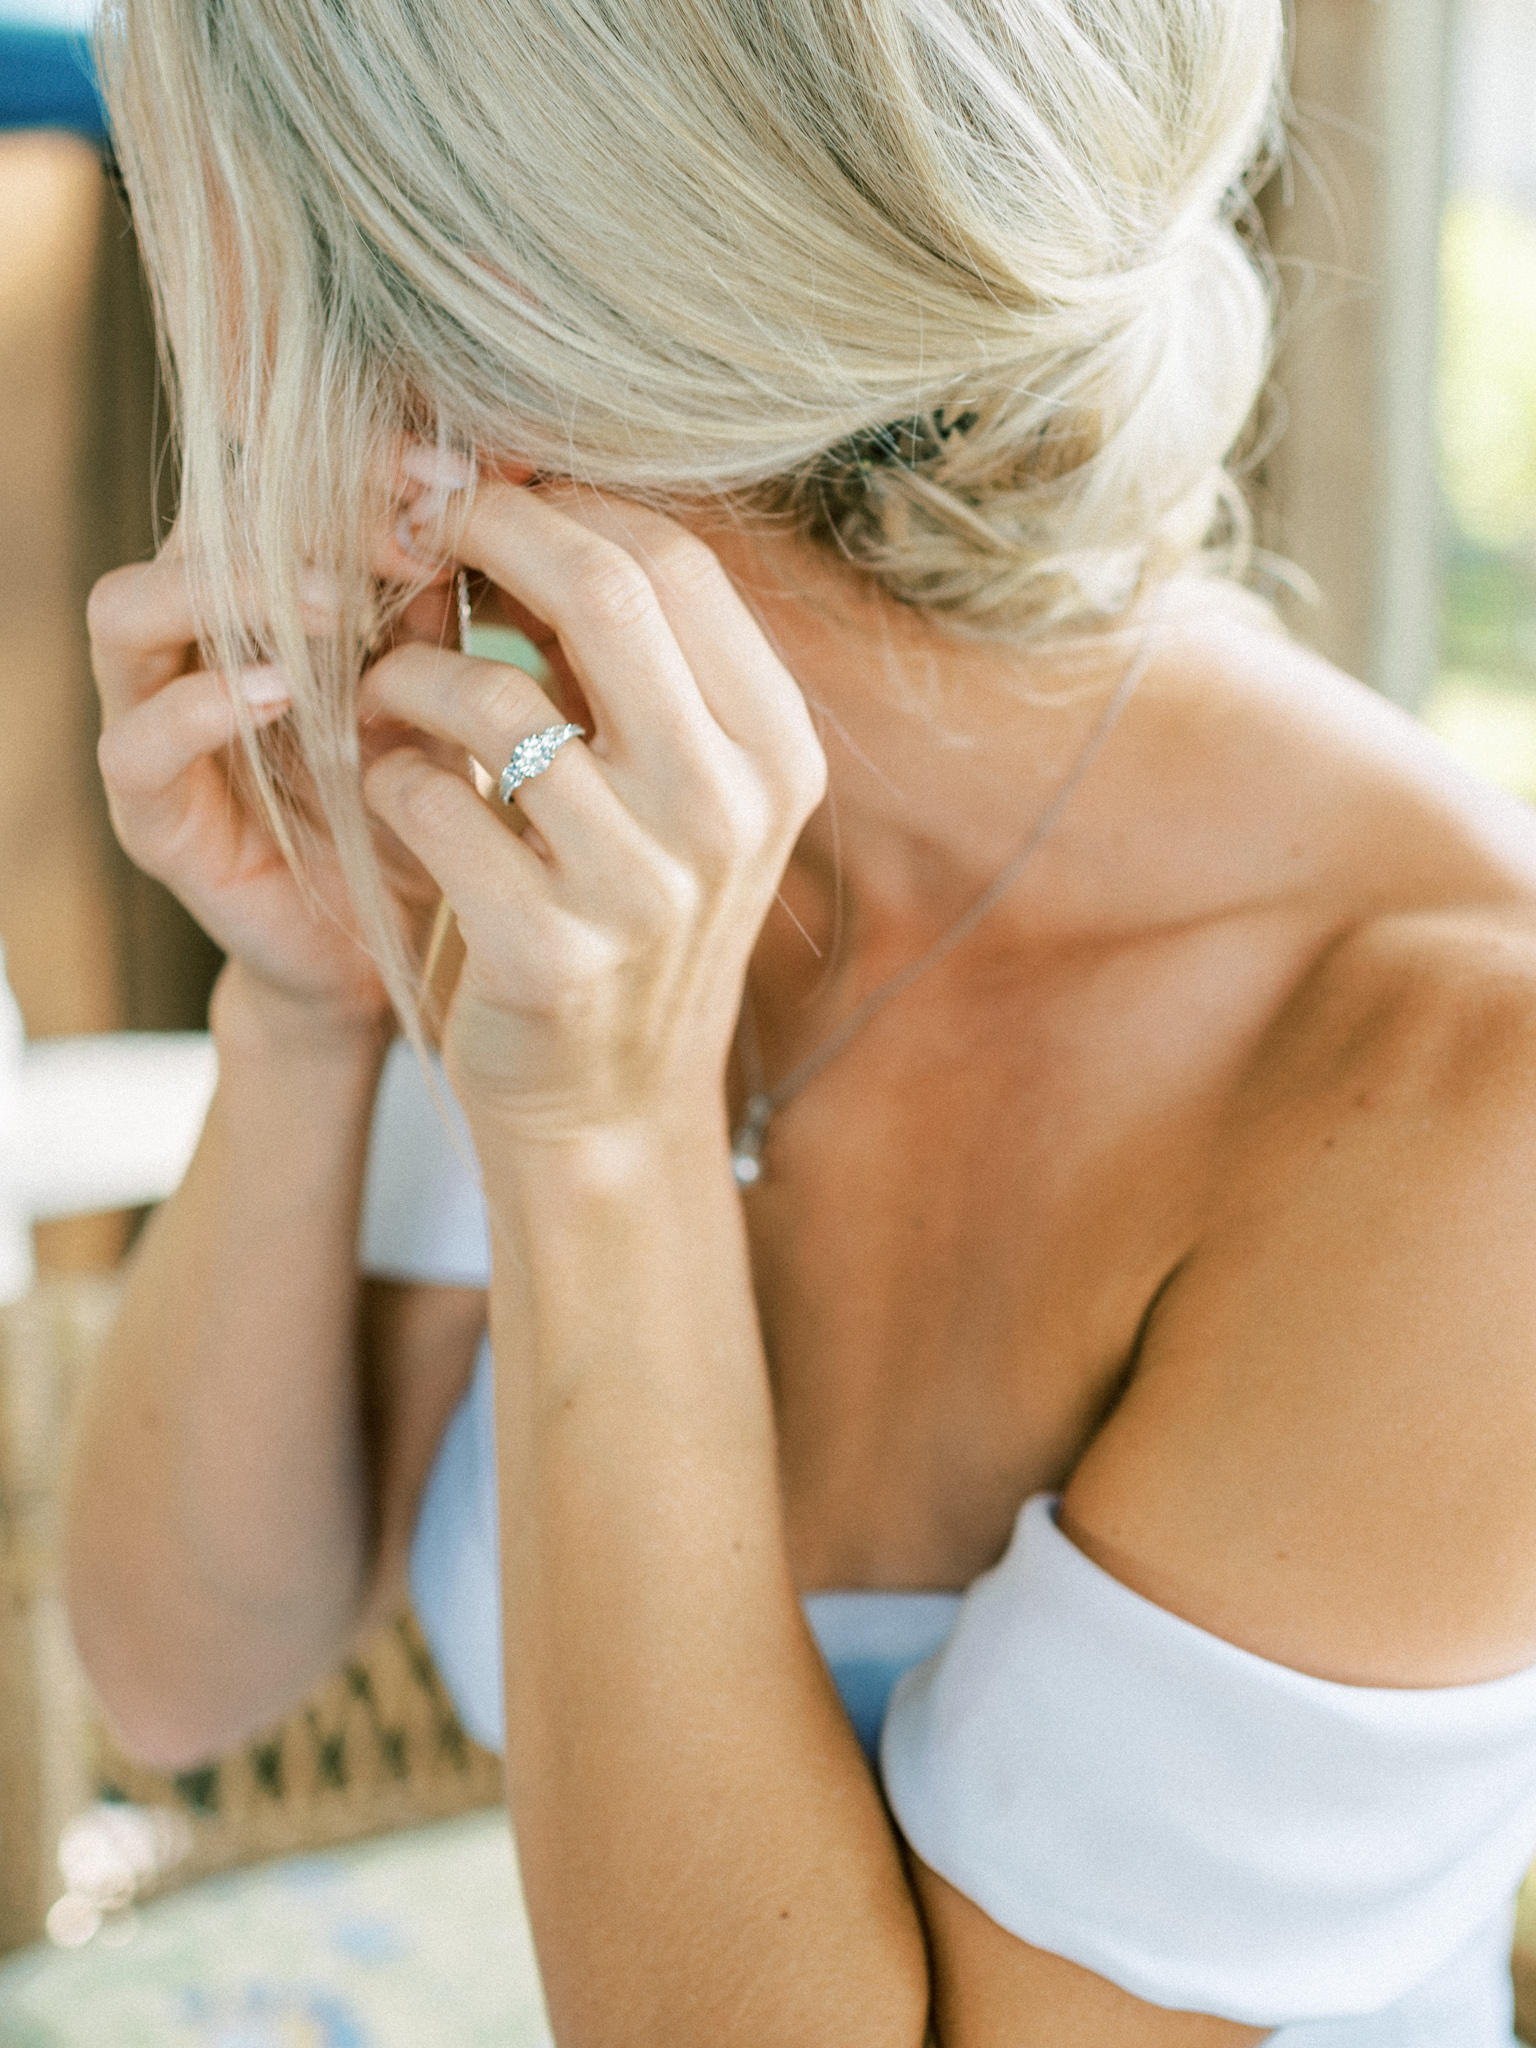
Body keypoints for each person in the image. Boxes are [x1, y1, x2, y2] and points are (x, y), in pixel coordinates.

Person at [59, 0, 1536, 2039]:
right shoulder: (545, 779)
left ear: (456, 390)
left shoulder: (1468, 1095)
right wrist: (307, 1012)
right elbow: (177, 1668)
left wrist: (606, 1139)